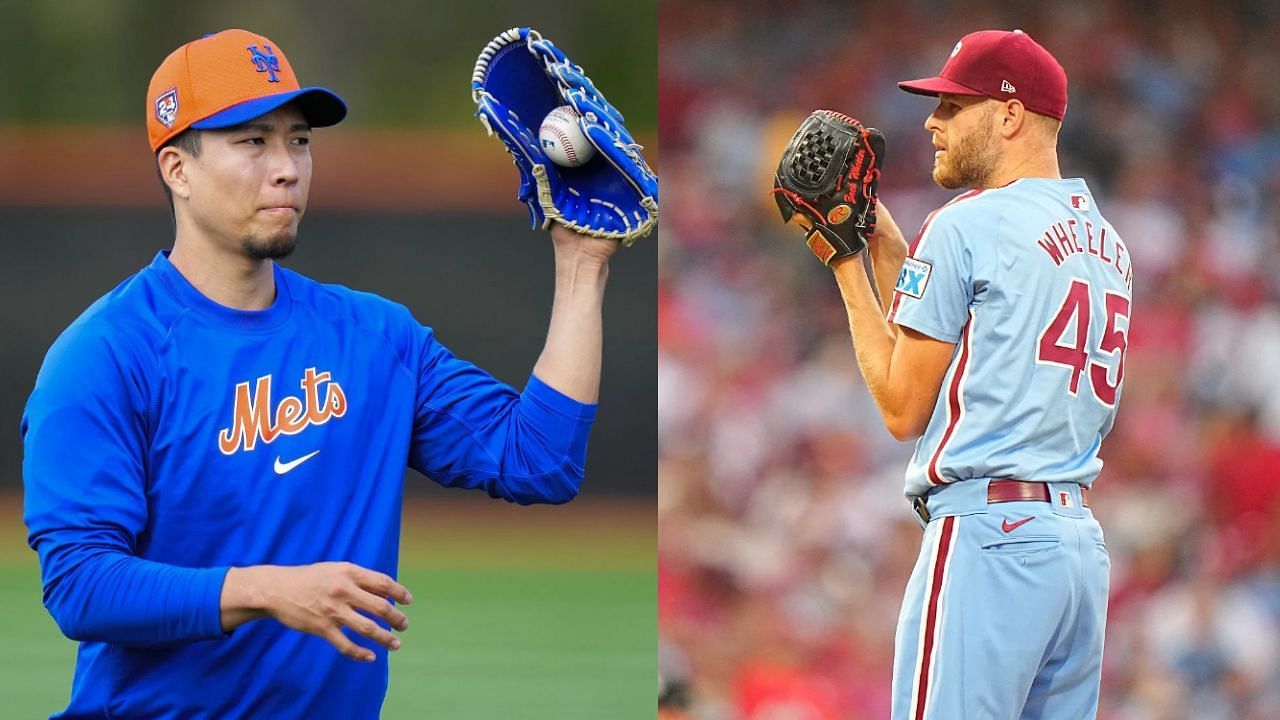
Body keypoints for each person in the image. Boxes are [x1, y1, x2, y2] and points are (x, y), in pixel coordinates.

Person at [22, 29, 619, 720]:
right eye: (252, 141)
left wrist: (582, 262)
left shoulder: (374, 337)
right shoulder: (105, 354)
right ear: (177, 170)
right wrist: (268, 590)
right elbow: (80, 584)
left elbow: (538, 459)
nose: (287, 168)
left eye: (299, 140)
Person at [815, 30, 1131, 719]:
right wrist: (881, 239)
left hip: (991, 540)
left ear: (1010, 115)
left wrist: (843, 262)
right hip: (1075, 549)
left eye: (955, 106)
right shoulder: (1108, 241)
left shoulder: (967, 225)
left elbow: (904, 407)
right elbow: (969, 340)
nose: (932, 123)